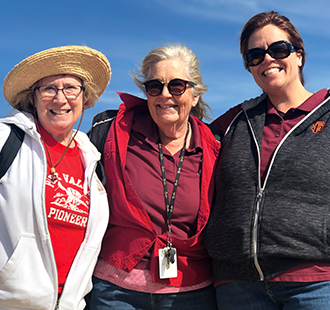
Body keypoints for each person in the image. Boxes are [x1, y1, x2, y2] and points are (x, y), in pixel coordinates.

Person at [204, 10, 330, 309]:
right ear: (249, 66)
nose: (268, 60)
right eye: (255, 55)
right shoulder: (235, 120)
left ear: (299, 55)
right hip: (237, 285)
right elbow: (180, 134)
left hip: (315, 281)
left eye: (278, 49)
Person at [88, 44, 220, 309]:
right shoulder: (113, 132)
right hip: (116, 291)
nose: (165, 94)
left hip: (191, 292)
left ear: (194, 95)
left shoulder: (217, 147)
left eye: (177, 86)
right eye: (154, 86)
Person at [0, 45, 111, 310]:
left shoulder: (92, 158)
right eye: (49, 89)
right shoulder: (7, 139)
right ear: (33, 98)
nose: (60, 99)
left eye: (71, 88)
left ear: (85, 98)